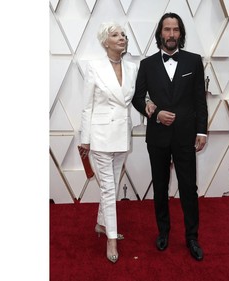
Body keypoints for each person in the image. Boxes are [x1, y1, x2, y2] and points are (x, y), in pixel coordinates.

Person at [132, 13, 208, 261]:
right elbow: (137, 98)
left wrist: (201, 130)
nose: (171, 34)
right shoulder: (147, 64)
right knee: (161, 187)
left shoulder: (194, 61)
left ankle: (192, 238)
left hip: (186, 136)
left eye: (175, 30)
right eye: (167, 30)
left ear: (181, 34)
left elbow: (199, 99)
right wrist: (153, 113)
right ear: (160, 34)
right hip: (158, 137)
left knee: (189, 188)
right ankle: (163, 232)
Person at [79, 22, 141, 263]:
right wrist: (85, 139)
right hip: (101, 135)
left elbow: (134, 98)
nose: (122, 38)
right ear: (105, 41)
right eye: (115, 35)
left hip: (122, 134)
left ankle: (101, 224)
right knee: (108, 187)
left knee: (112, 184)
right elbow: (87, 106)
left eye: (123, 34)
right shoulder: (94, 67)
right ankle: (112, 239)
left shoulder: (132, 68)